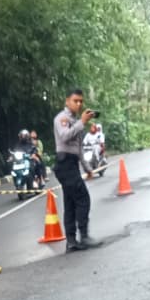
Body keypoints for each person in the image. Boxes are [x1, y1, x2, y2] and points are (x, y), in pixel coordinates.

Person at [53, 87, 101, 252]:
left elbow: (79, 149)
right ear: (67, 101)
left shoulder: (76, 121)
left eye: (81, 101)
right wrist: (82, 122)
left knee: (71, 202)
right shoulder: (62, 118)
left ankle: (72, 241)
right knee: (83, 198)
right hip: (64, 164)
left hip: (72, 163)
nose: (79, 104)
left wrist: (87, 168)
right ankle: (84, 236)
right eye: (75, 101)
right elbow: (65, 136)